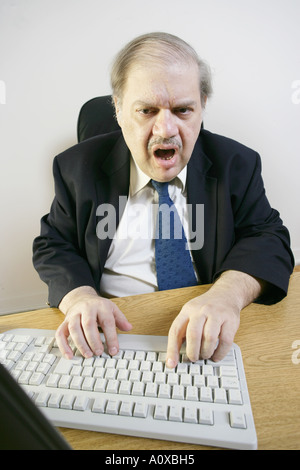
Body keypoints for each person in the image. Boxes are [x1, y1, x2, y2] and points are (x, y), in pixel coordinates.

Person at [33, 32, 294, 367]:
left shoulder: (237, 164)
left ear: (202, 106)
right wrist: (80, 296)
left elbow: (268, 238)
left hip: (204, 334)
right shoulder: (76, 167)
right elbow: (53, 243)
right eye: (147, 111)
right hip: (111, 335)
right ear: (118, 108)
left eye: (183, 110)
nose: (165, 129)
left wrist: (226, 296)